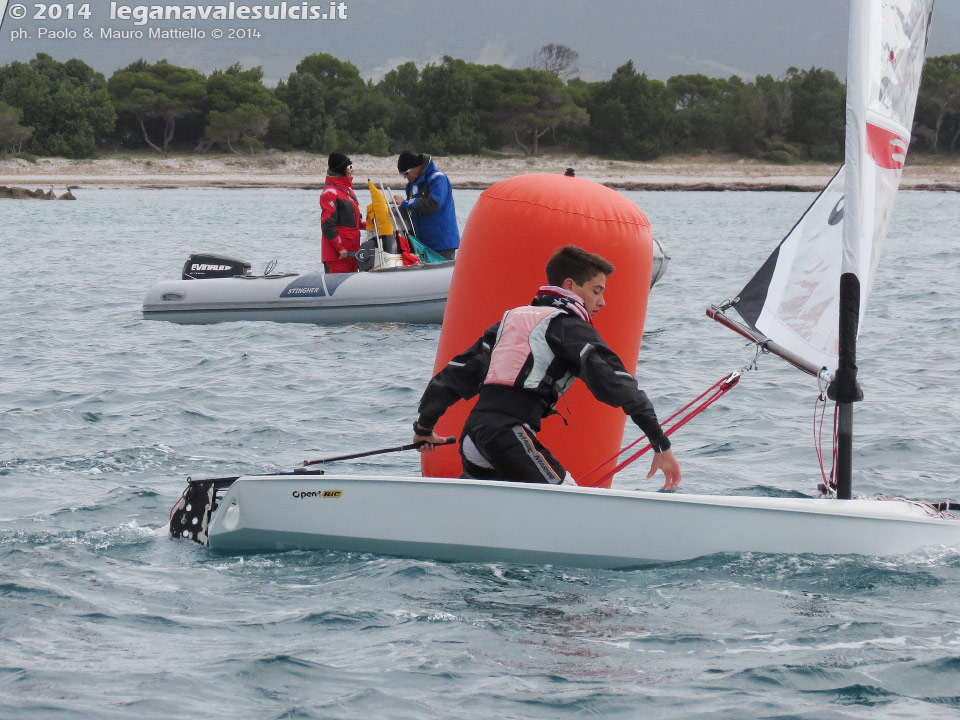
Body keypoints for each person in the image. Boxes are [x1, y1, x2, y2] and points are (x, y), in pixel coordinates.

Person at [412, 245, 682, 489]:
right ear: (570, 286)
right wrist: (660, 444)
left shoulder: (511, 320)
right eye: (596, 291)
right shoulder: (568, 326)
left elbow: (454, 374)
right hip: (507, 435)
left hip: (473, 437)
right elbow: (620, 385)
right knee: (570, 501)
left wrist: (424, 428)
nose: (602, 302)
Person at [392, 151, 460, 260]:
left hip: (441, 243)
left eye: (406, 173)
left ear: (417, 167)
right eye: (402, 174)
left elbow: (433, 204)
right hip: (422, 243)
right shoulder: (411, 185)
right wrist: (397, 210)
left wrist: (405, 203)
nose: (405, 177)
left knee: (440, 275)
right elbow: (413, 209)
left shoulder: (438, 178)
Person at [320, 152, 365, 273]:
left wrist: (374, 225)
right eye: (350, 167)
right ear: (341, 170)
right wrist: (340, 249)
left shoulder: (349, 191)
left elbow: (357, 223)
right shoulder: (330, 192)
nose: (352, 170)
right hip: (338, 256)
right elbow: (327, 226)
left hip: (352, 254)